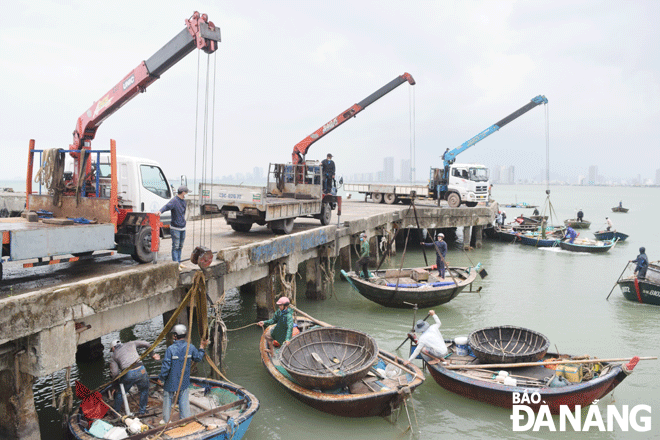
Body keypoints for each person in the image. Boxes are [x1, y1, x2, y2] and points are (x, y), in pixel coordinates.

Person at [158, 324, 208, 424]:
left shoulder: (170, 349)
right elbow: (198, 358)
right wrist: (202, 348)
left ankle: (167, 420)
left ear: (175, 336)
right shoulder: (191, 347)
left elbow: (166, 367)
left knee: (168, 398)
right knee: (183, 398)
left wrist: (161, 378)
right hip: (184, 379)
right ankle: (185, 419)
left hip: (171, 380)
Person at [110, 339, 160, 416]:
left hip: (129, 373)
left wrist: (116, 385)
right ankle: (142, 411)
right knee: (144, 390)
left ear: (113, 348)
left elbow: (115, 373)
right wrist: (152, 354)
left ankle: (116, 412)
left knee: (120, 393)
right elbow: (147, 343)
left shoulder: (113, 356)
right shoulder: (131, 343)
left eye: (112, 350)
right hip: (141, 370)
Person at [158, 186, 189, 268]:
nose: (187, 194)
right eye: (186, 193)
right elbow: (166, 206)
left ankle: (179, 262)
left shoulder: (183, 201)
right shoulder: (174, 201)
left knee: (180, 246)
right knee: (175, 246)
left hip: (183, 227)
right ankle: (175, 264)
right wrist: (160, 211)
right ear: (183, 193)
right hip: (175, 228)